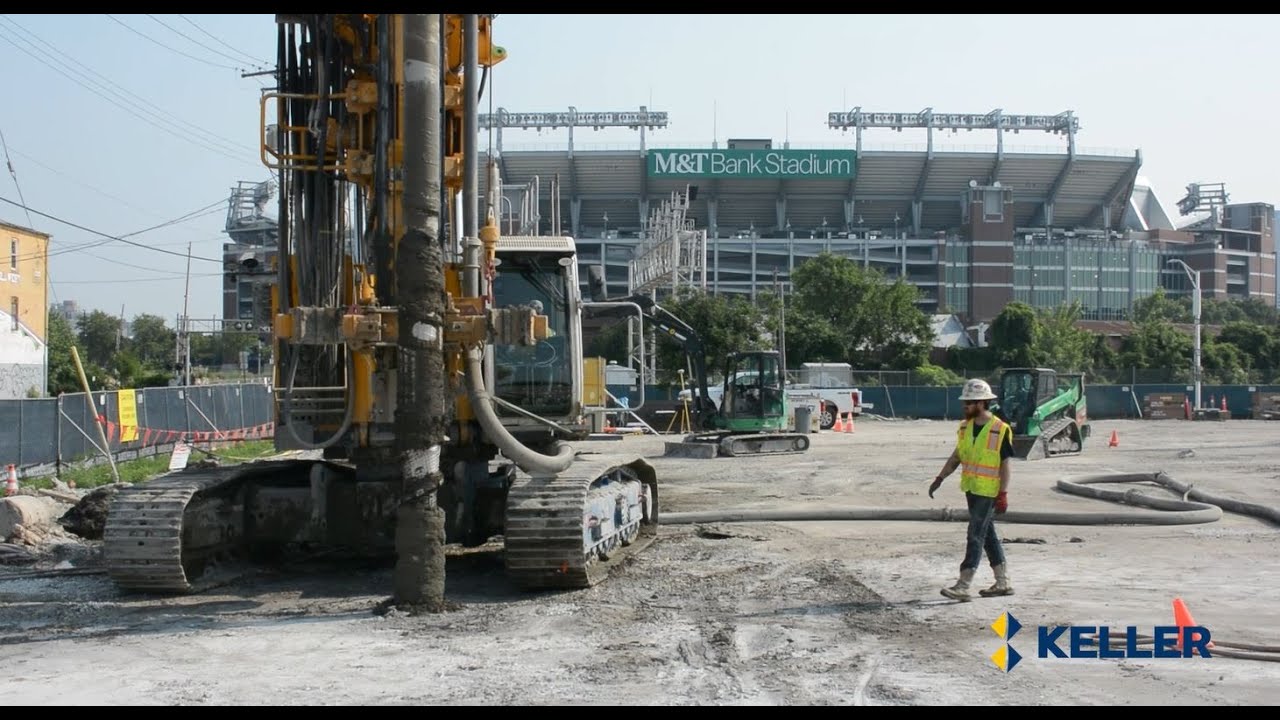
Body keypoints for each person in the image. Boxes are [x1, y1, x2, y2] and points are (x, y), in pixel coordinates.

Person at [927, 378, 1015, 601]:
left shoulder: (999, 429)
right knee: (987, 535)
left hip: (989, 492)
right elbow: (957, 455)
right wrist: (940, 477)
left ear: (982, 402)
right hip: (972, 489)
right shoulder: (965, 427)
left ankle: (963, 584)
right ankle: (1002, 582)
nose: (965, 405)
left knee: (975, 534)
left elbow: (1005, 465)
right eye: (965, 401)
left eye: (970, 402)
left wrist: (1003, 493)